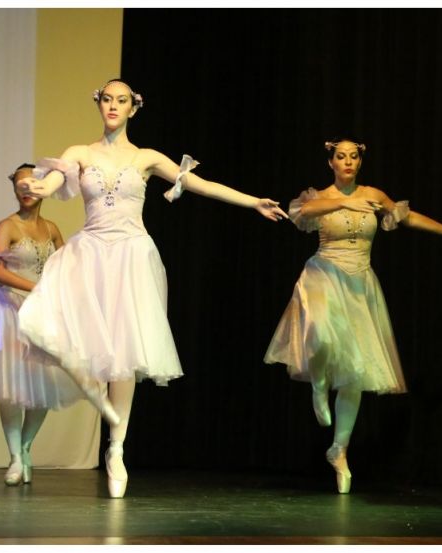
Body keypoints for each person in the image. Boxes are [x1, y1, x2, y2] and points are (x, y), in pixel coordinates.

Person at [17, 79, 287, 498]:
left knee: (126, 354)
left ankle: (116, 448)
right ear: (99, 104)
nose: (112, 106)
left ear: (133, 109)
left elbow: (201, 185)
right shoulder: (81, 153)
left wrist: (252, 201)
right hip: (90, 254)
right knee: (54, 333)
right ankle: (98, 403)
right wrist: (39, 187)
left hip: (130, 256)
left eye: (120, 100)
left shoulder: (145, 157)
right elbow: (54, 181)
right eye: (107, 99)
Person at [265, 139, 442, 493]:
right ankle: (318, 385)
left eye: (353, 156)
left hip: (360, 283)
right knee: (318, 333)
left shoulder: (373, 193)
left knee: (356, 371)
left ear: (359, 162)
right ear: (331, 161)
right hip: (323, 272)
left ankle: (339, 450)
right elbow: (303, 213)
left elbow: (405, 217)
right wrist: (345, 201)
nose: (347, 161)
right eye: (340, 156)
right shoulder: (317, 196)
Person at [0, 163, 83, 486]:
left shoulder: (50, 228)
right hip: (7, 310)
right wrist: (35, 287)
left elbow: (65, 266)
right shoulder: (6, 226)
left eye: (31, 184)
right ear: (15, 190)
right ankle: (13, 458)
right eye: (19, 185)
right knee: (9, 385)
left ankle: (25, 447)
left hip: (42, 312)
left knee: (43, 387)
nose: (25, 190)